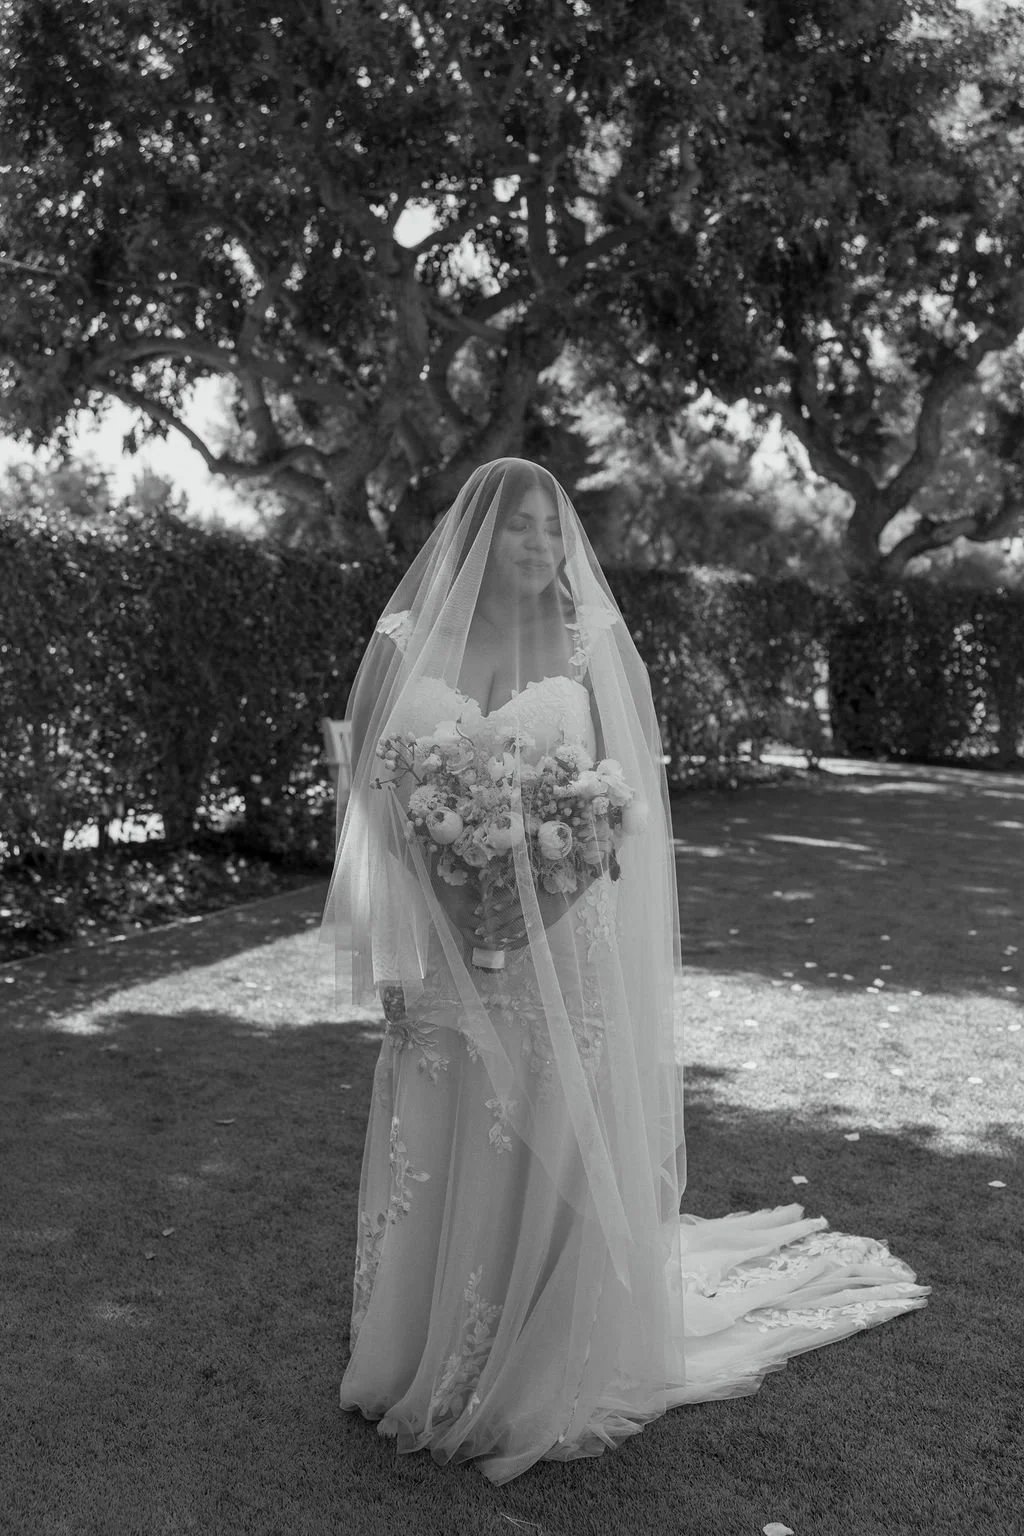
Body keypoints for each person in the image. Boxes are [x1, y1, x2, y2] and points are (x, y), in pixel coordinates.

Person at [317, 457, 930, 1486]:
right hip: (437, 946)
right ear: (476, 537)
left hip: (562, 945)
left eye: (553, 532)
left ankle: (534, 1358)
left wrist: (552, 874)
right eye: (519, 529)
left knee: (546, 1140)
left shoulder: (586, 643)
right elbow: (368, 809)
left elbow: (616, 808)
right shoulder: (404, 642)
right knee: (445, 1131)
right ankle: (422, 1351)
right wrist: (408, 937)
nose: (540, 548)